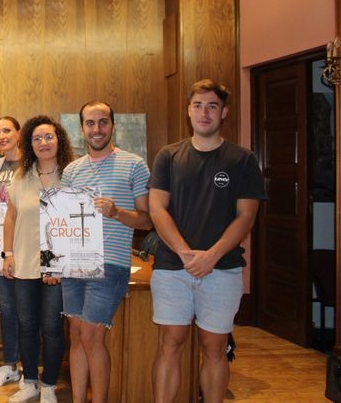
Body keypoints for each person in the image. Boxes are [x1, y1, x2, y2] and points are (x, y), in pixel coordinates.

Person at [148, 79, 266, 403]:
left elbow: (246, 217)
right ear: (189, 111)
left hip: (222, 269)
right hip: (173, 268)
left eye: (212, 106)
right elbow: (157, 209)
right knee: (169, 344)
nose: (204, 112)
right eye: (198, 105)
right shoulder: (168, 156)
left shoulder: (242, 160)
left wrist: (211, 256)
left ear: (224, 112)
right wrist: (187, 254)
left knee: (214, 348)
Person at [60, 101, 152, 403]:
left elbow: (147, 219)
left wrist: (116, 213)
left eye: (102, 122)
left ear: (113, 125)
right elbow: (61, 221)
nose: (96, 129)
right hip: (73, 264)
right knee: (75, 335)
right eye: (90, 123)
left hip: (110, 264)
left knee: (91, 335)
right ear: (82, 127)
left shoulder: (134, 164)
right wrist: (54, 265)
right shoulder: (72, 170)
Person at [2, 115, 74, 403]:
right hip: (24, 264)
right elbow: (11, 217)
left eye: (49, 137)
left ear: (59, 140)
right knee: (26, 325)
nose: (43, 142)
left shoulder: (71, 174)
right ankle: (29, 380)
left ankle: (49, 384)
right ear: (29, 143)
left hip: (57, 267)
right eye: (37, 138)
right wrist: (7, 254)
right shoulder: (21, 175)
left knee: (52, 328)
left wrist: (60, 263)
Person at [0, 116, 23, 387]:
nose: (2, 136)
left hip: (26, 246)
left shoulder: (31, 163)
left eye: (7, 130)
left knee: (29, 309)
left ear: (19, 134)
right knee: (7, 307)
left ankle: (29, 367)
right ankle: (10, 364)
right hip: (0, 247)